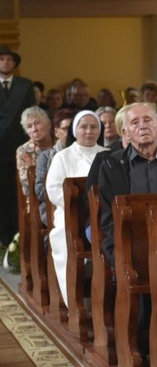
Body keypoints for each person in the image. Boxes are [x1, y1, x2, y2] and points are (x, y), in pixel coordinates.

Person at [98, 102, 157, 267]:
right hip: (130, 243)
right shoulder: (111, 166)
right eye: (135, 123)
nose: (143, 126)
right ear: (125, 133)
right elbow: (109, 217)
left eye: (148, 120)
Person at [46, 110, 107, 306]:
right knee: (64, 236)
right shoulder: (63, 157)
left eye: (94, 127)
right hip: (71, 215)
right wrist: (82, 209)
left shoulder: (107, 154)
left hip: (103, 215)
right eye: (83, 127)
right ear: (75, 130)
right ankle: (74, 301)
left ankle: (106, 298)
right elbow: (53, 189)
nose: (89, 131)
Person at [0, 44, 35, 246]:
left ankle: (17, 230)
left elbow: (30, 115)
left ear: (14, 63)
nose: (6, 62)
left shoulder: (25, 84)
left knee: (19, 190)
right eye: (2, 59)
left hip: (19, 146)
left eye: (9, 59)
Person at [35, 108, 75, 226]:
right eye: (66, 129)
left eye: (74, 128)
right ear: (57, 132)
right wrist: (66, 197)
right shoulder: (46, 157)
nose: (72, 133)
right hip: (52, 205)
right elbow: (40, 190)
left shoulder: (85, 154)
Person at [16, 106, 54, 199]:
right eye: (29, 126)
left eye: (37, 123)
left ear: (48, 124)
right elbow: (27, 187)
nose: (34, 129)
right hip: (37, 200)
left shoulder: (60, 145)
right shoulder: (24, 151)